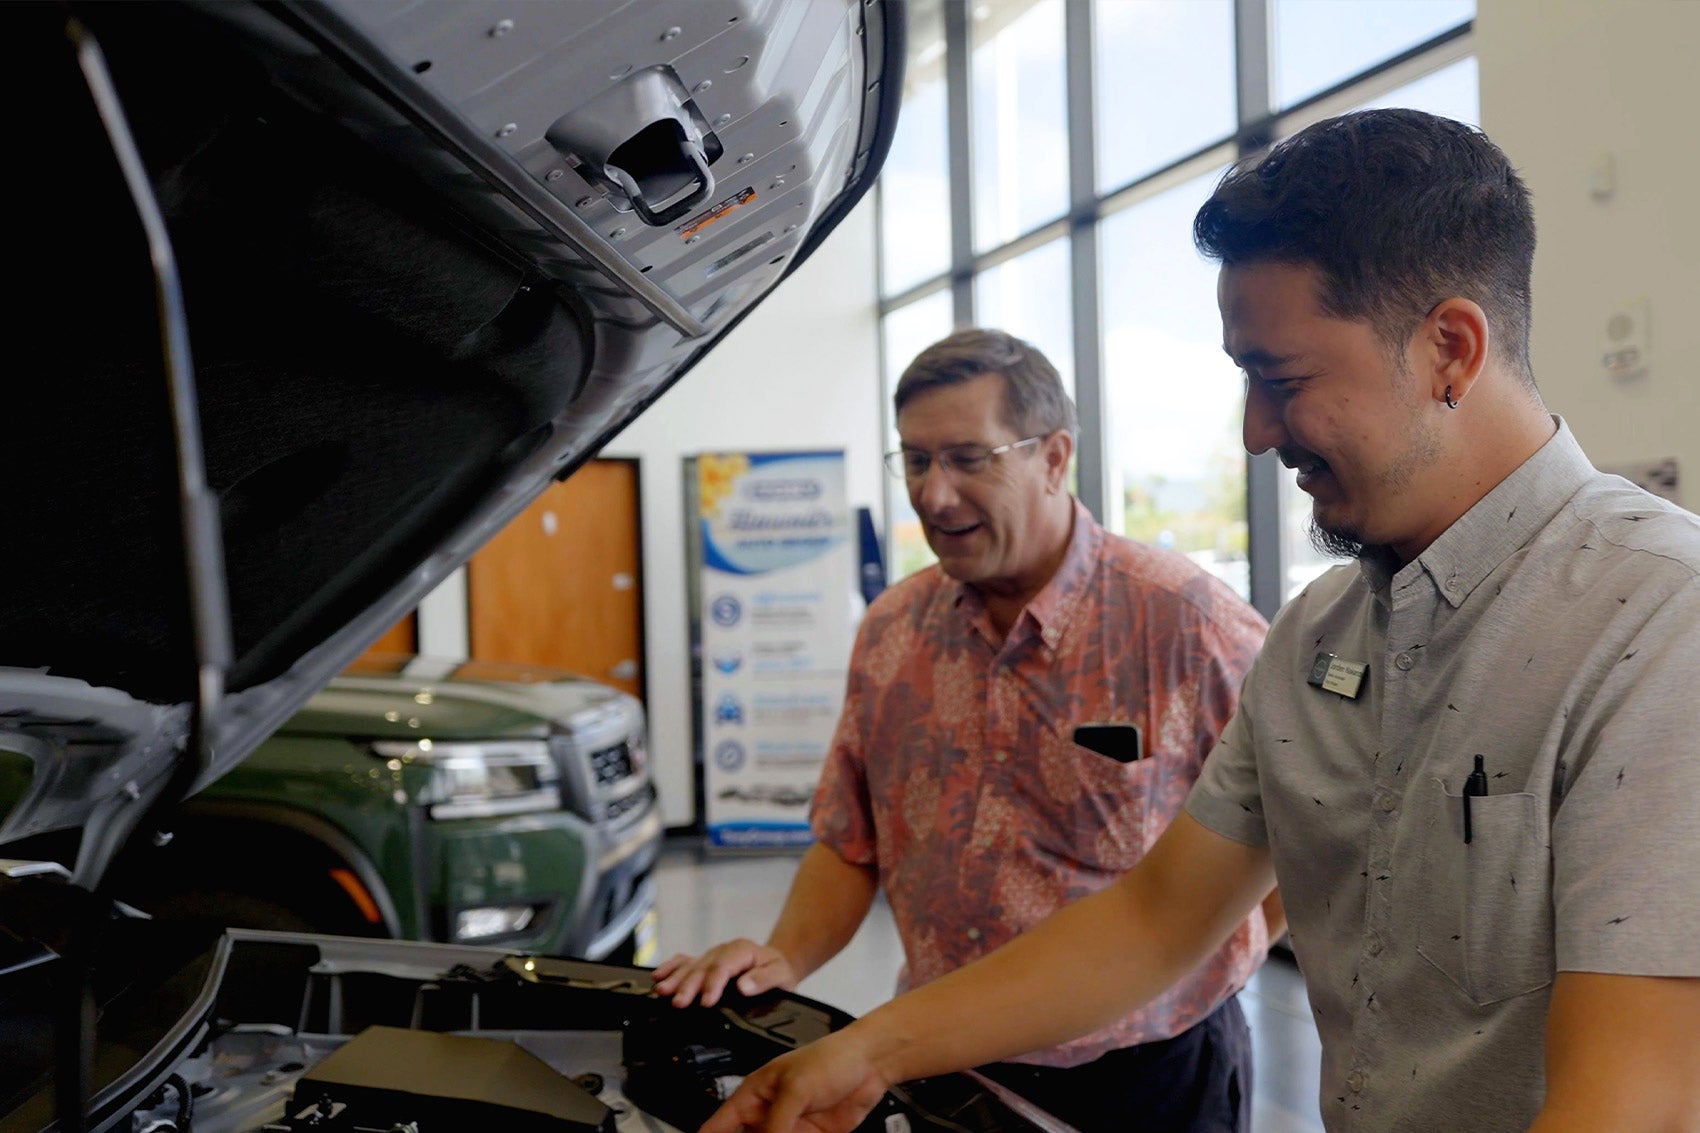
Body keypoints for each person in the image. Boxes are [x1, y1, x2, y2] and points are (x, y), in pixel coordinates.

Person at [698, 109, 1700, 1133]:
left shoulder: (1658, 624)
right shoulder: (1320, 638)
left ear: (1447, 348)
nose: (1256, 433)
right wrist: (859, 1050)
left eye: (1281, 380)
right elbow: (1152, 917)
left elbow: (1637, 1103)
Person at [655, 327, 1278, 1131]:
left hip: (1146, 1078)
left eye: (967, 457)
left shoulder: (1189, 625)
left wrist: (1212, 966)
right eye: (915, 459)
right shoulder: (891, 630)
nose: (934, 494)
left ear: (1054, 457)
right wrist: (788, 954)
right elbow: (852, 841)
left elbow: (1287, 856)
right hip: (942, 1065)